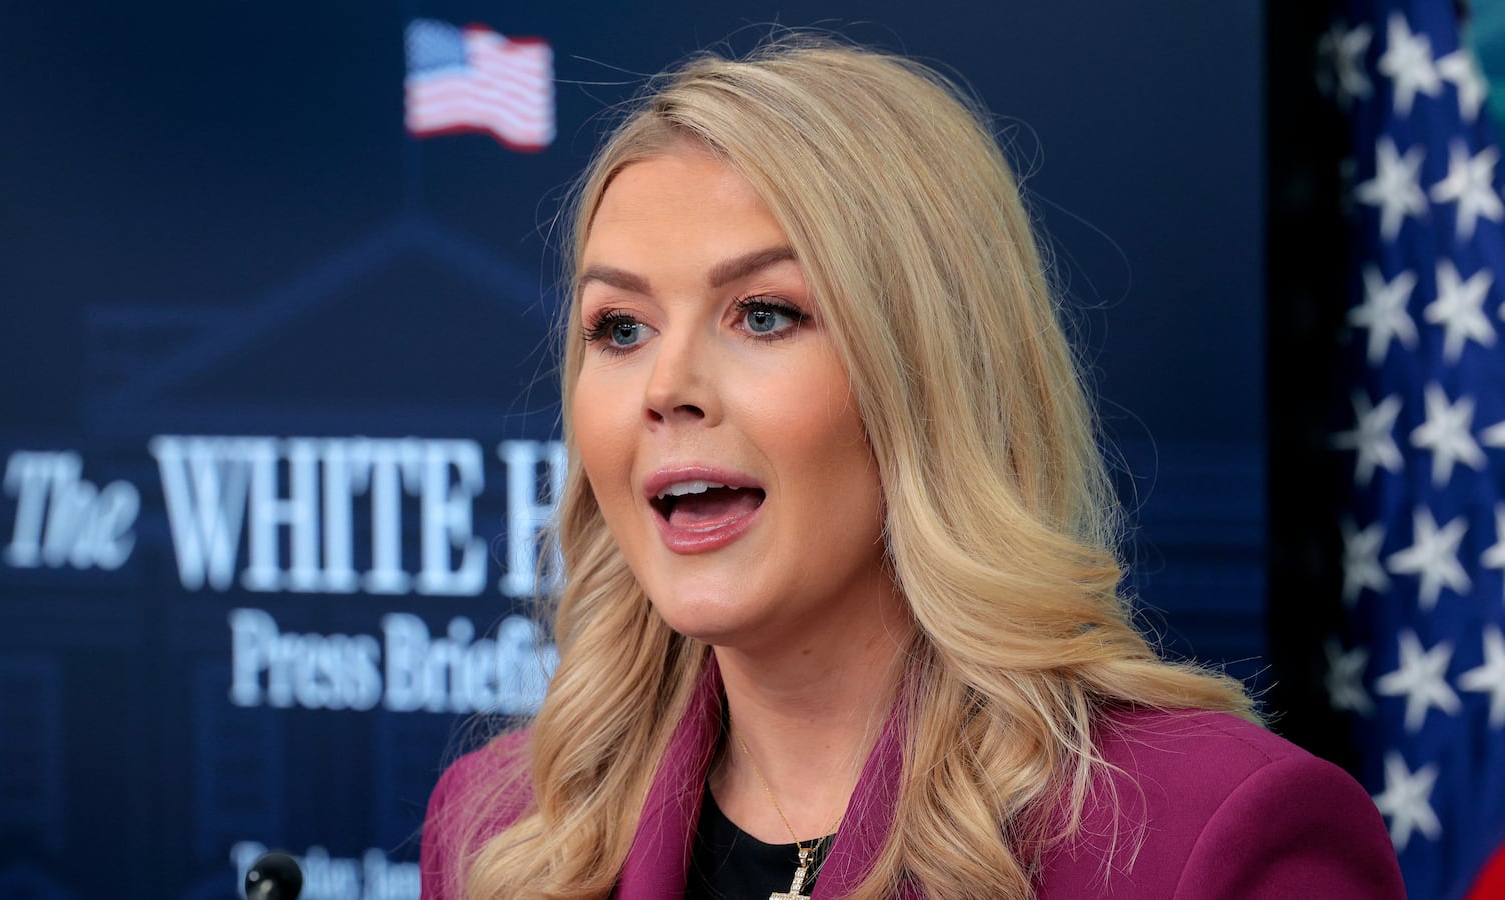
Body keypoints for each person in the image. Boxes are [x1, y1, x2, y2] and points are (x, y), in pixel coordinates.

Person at [420, 36, 1404, 900]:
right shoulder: (500, 832)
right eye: (619, 327)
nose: (665, 388)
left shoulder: (1210, 835)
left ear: (932, 375)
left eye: (765, 314)